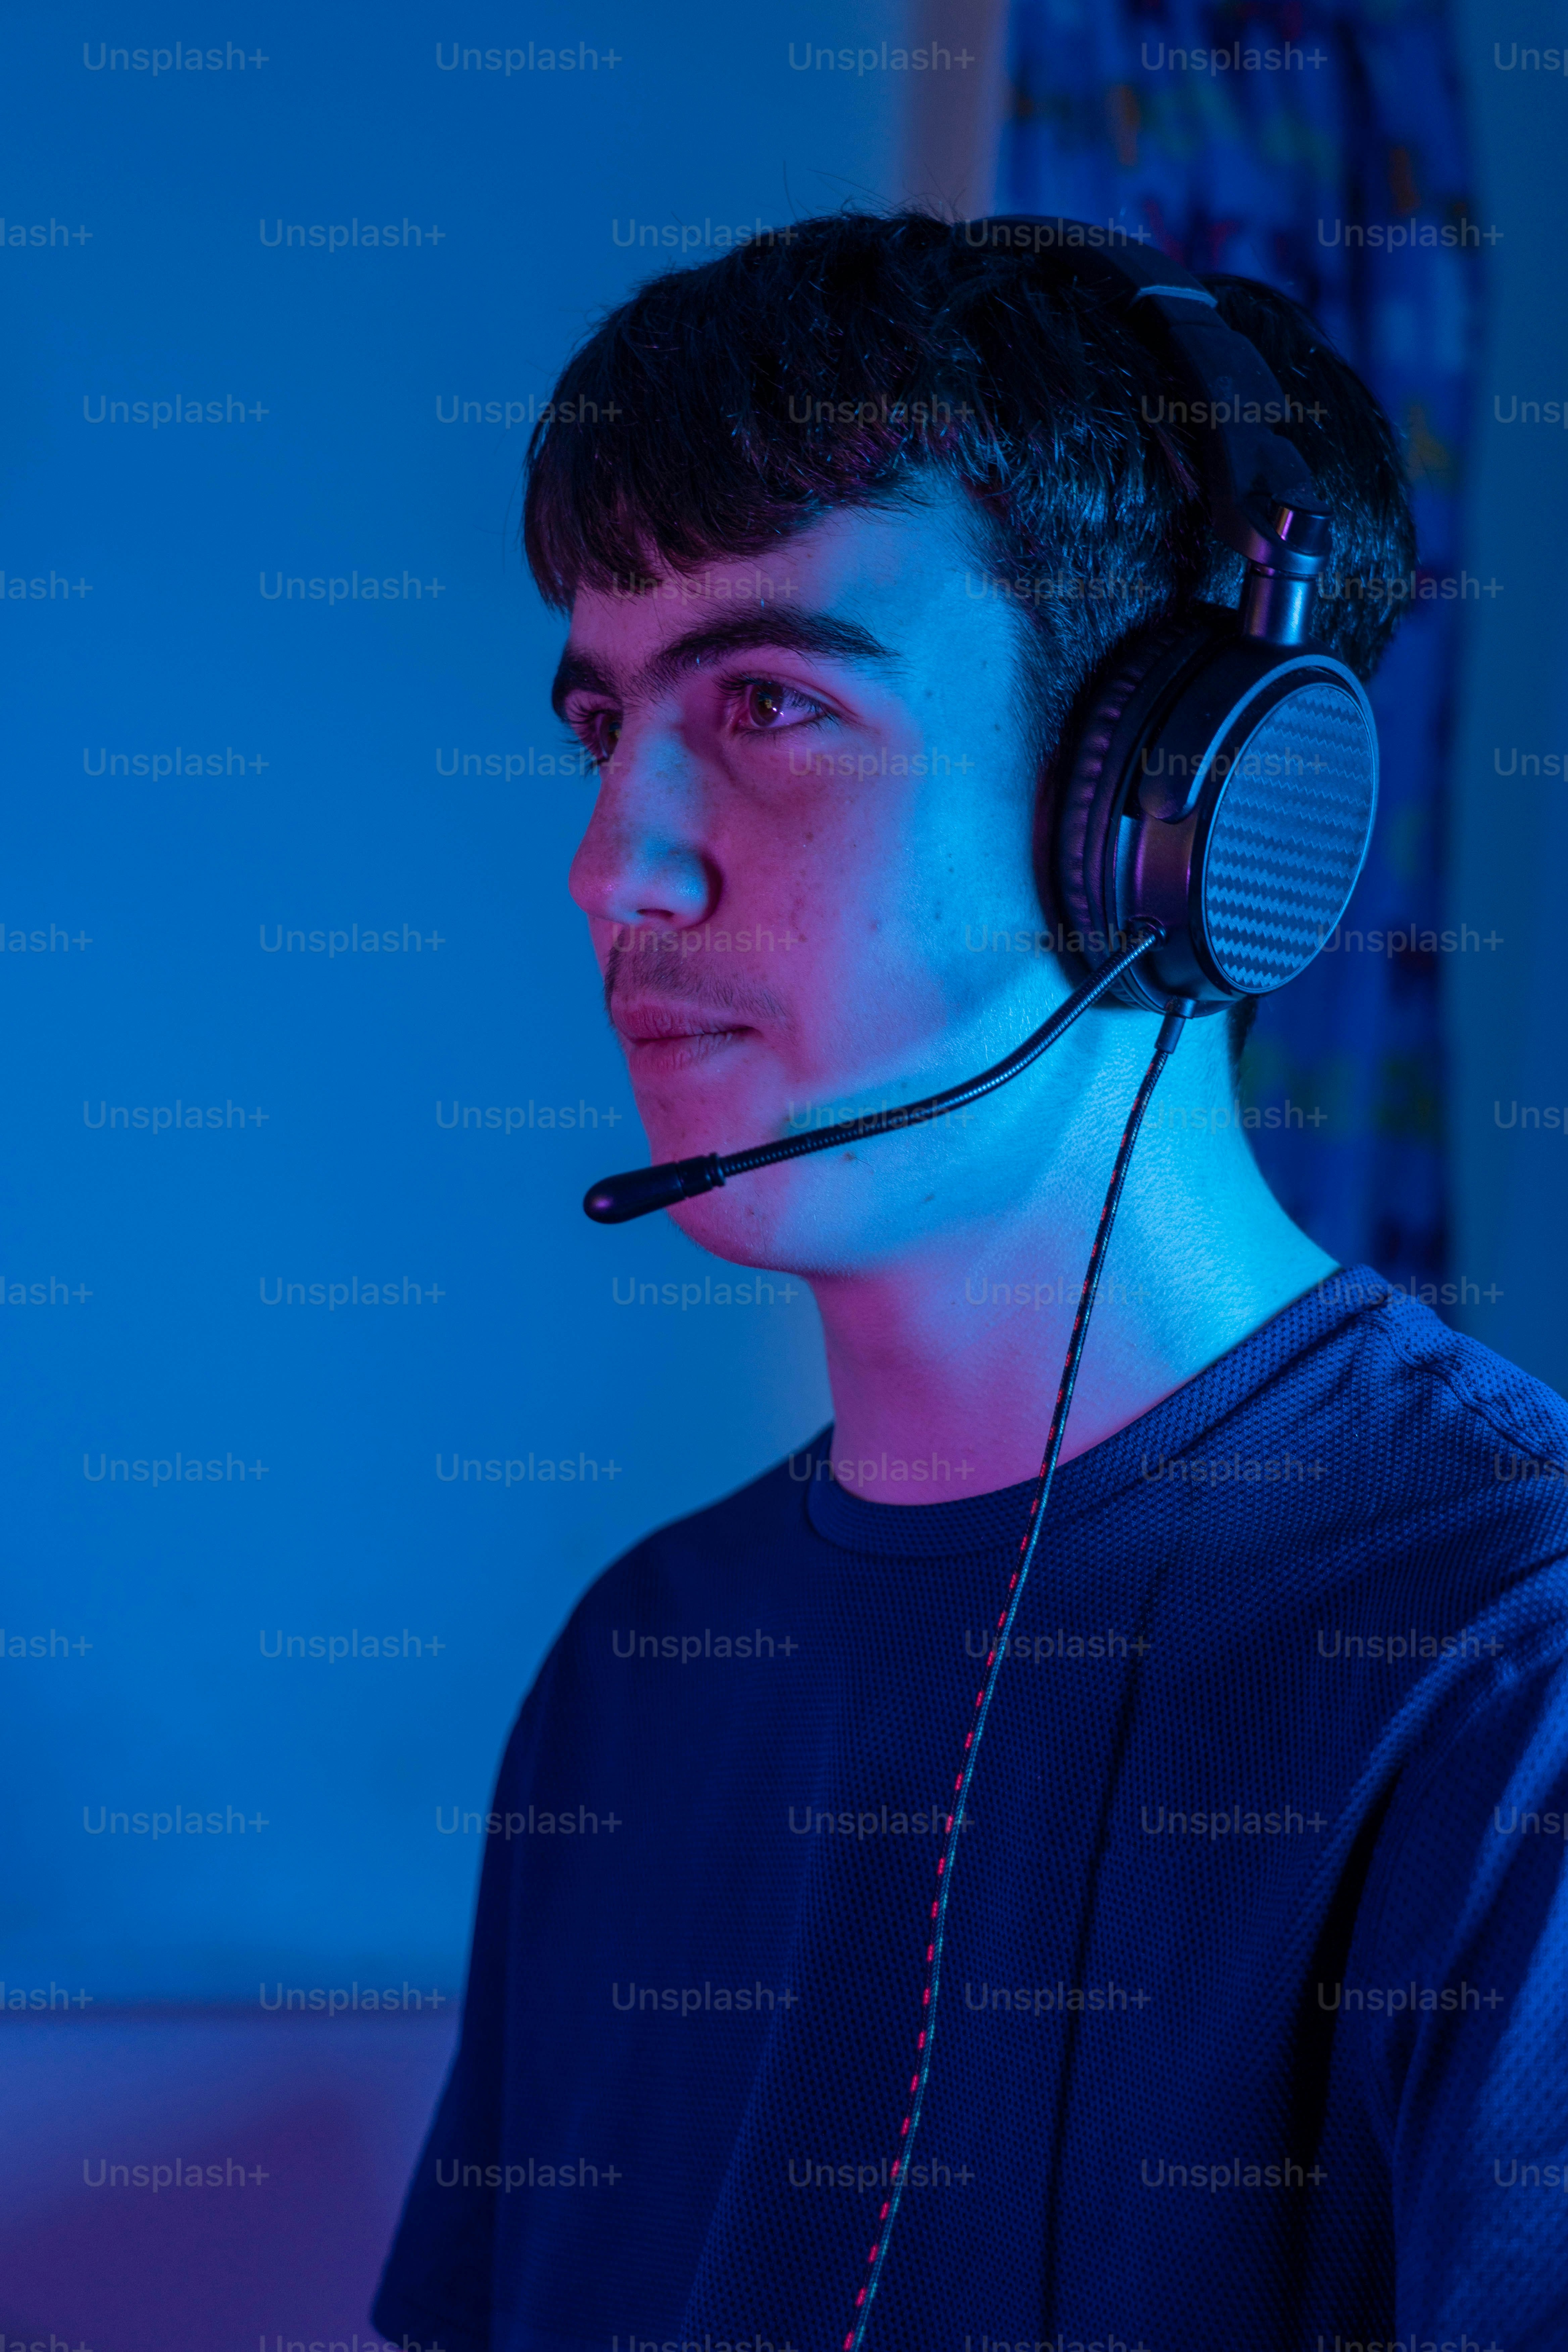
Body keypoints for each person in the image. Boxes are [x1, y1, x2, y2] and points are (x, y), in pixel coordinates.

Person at [375, 211, 1568, 2352]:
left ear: (1181, 814)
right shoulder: (634, 1672)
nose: (612, 864)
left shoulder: (1508, 1681)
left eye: (766, 701)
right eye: (598, 729)